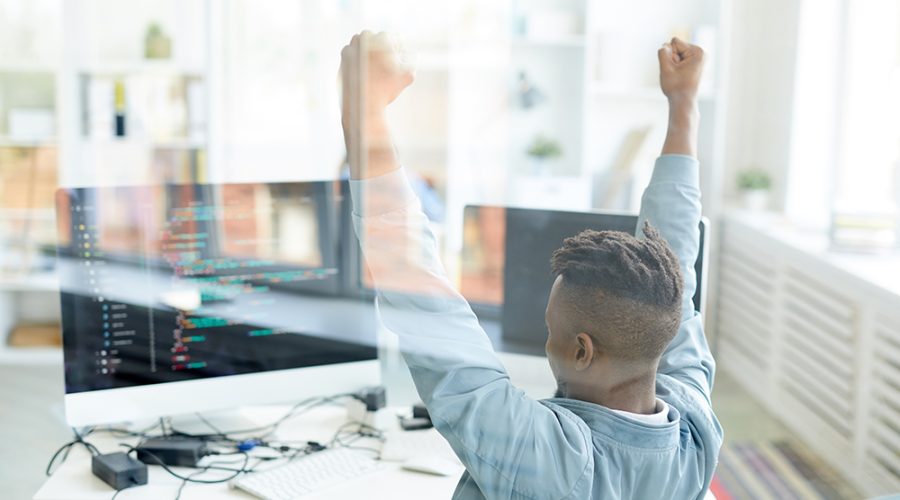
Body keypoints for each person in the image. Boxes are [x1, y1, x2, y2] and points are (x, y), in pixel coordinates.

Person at [340, 31, 722, 499]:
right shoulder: (696, 429)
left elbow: (421, 299)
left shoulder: (549, 460)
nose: (547, 340)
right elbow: (676, 264)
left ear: (582, 350)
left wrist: (363, 107)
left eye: (550, 329)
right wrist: (683, 104)